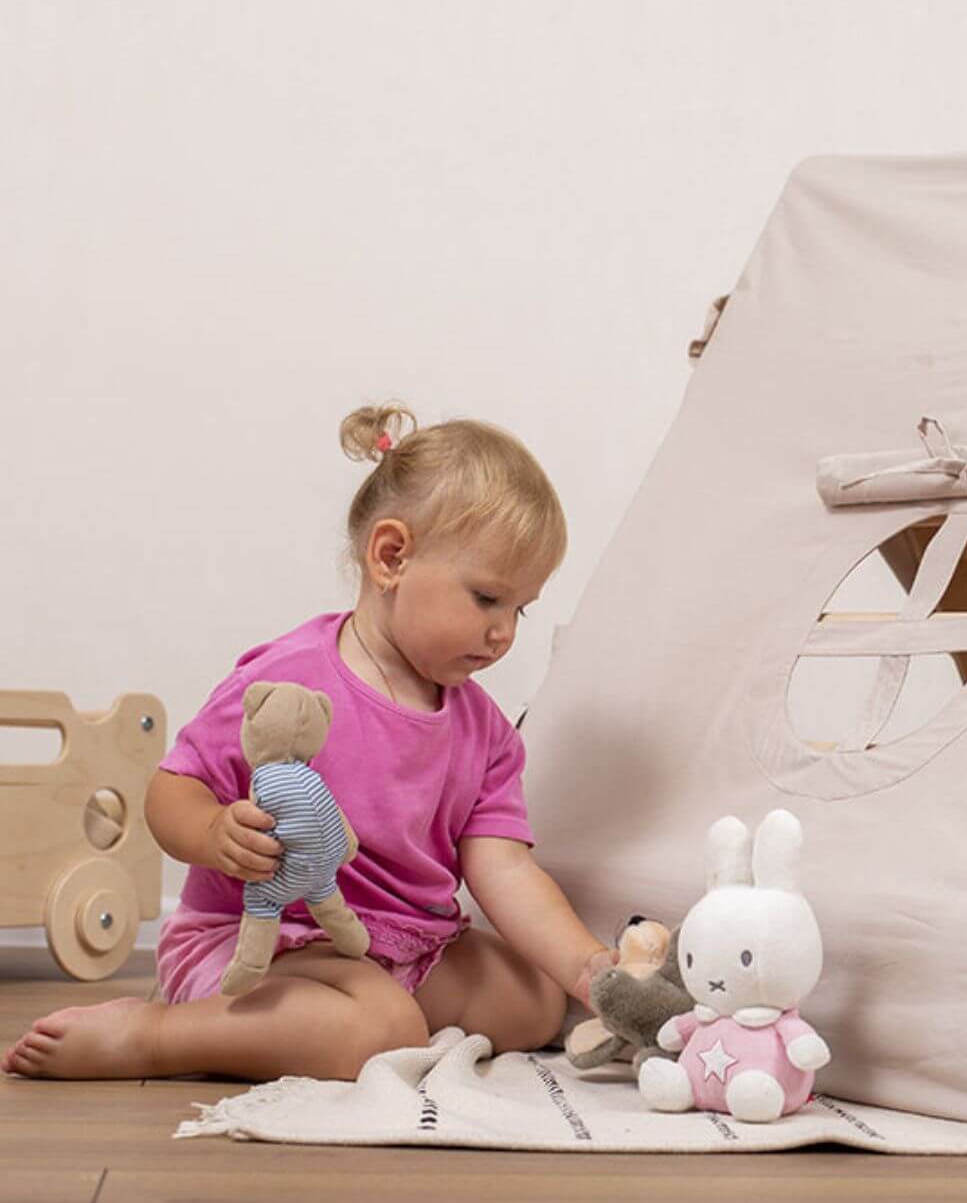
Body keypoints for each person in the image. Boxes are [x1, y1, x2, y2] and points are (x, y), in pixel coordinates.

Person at [4, 403, 616, 1082]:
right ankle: (155, 1034)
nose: (505, 632)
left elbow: (505, 871)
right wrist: (213, 832)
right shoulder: (288, 682)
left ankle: (352, 1020)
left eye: (519, 609)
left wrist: (589, 969)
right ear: (392, 557)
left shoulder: (487, 734)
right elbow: (172, 788)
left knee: (533, 1000)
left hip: (401, 947)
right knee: (379, 1030)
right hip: (265, 943)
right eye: (486, 599)